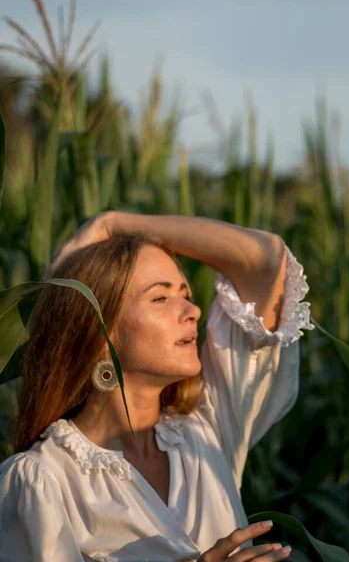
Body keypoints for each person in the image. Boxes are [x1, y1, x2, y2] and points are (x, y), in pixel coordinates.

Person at [0, 212, 314, 561]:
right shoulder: (44, 482)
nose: (192, 310)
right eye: (160, 298)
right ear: (99, 332)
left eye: (185, 293)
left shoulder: (207, 428)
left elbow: (266, 259)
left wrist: (112, 224)